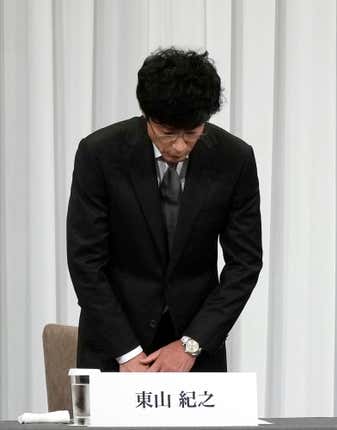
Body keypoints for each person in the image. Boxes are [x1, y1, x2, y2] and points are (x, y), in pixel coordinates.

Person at [67, 48, 262, 372]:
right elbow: (85, 261)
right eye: (168, 133)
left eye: (192, 133)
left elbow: (245, 263)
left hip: (196, 353)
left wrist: (192, 343)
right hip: (114, 347)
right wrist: (127, 353)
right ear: (147, 117)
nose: (180, 146)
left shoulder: (234, 159)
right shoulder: (100, 154)